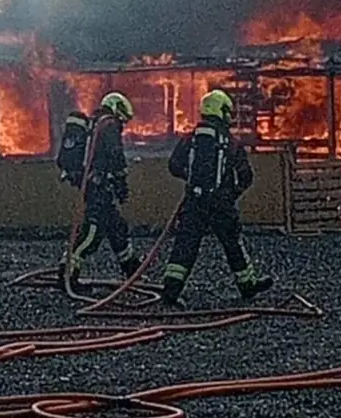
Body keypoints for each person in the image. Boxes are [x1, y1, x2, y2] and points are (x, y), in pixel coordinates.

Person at [160, 89, 274, 306]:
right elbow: (246, 176)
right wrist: (231, 194)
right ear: (221, 111)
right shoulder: (231, 142)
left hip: (194, 201)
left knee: (185, 245)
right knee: (232, 243)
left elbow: (174, 166)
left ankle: (170, 292)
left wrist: (193, 179)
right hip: (221, 204)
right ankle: (247, 285)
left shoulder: (189, 138)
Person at [56, 92, 143, 293]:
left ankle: (132, 270)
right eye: (123, 117)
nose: (123, 123)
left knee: (116, 227)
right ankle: (68, 274)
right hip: (99, 187)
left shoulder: (97, 124)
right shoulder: (109, 124)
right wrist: (121, 182)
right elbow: (115, 155)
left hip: (96, 185)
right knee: (92, 233)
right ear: (116, 108)